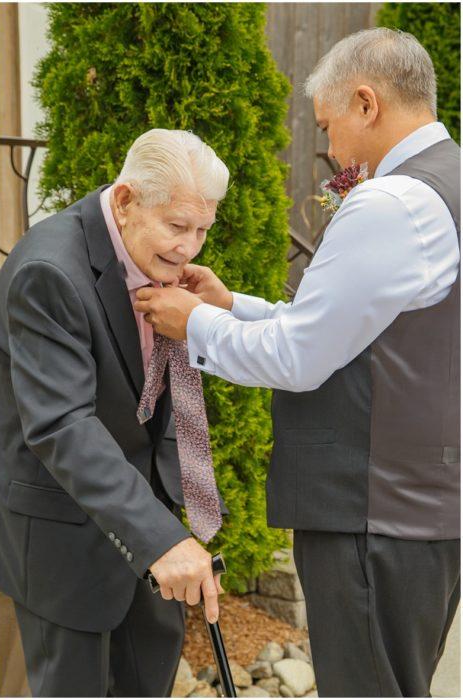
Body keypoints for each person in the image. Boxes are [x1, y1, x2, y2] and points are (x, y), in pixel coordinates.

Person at [136, 28, 460, 697]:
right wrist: (234, 306)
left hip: (371, 514)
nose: (331, 149)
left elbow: (301, 358)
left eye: (329, 126)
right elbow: (357, 338)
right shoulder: (446, 185)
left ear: (366, 104)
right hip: (420, 510)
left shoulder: (391, 201)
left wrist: (193, 322)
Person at [0, 128, 229, 696]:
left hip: (149, 538)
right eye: (177, 227)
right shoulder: (48, 271)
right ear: (125, 202)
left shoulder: (167, 265)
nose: (190, 247)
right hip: (65, 547)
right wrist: (162, 539)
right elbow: (62, 426)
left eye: (203, 230)